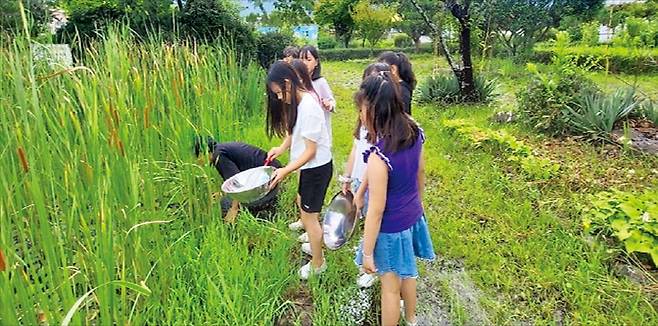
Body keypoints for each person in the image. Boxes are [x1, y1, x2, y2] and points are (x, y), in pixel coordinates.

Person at [353, 73, 435, 326]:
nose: (360, 115)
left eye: (361, 109)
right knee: (407, 274)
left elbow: (376, 211)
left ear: (374, 110)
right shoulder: (413, 129)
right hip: (412, 216)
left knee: (389, 288)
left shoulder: (379, 158)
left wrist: (367, 254)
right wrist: (417, 205)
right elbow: (420, 171)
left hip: (390, 230)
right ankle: (411, 319)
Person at [265, 61, 333, 280]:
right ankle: (316, 248)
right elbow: (295, 132)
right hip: (309, 168)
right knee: (305, 212)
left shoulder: (310, 108)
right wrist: (281, 148)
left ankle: (318, 262)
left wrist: (285, 170)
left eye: (278, 93)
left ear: (287, 83)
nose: (278, 98)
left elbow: (310, 152)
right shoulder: (299, 103)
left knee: (310, 218)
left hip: (316, 169)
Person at [340, 62, 392, 288]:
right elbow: (355, 149)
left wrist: (361, 190)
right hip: (361, 180)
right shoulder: (363, 123)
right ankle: (367, 253)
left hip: (375, 184)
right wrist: (348, 177)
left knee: (376, 221)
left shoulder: (384, 132)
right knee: (365, 220)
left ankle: (372, 265)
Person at [287, 45, 336, 234]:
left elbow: (332, 102)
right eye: (302, 58)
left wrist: (328, 104)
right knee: (302, 185)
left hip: (317, 140)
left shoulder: (320, 83)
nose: (305, 62)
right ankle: (304, 219)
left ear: (316, 62)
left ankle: (312, 225)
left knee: (311, 187)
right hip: (303, 140)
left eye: (308, 59)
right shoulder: (298, 85)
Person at [194, 137, 282, 222]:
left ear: (204, 152)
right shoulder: (221, 149)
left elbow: (237, 186)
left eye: (197, 156)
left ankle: (266, 210)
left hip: (269, 181)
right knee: (228, 198)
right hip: (270, 175)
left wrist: (233, 209)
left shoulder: (219, 156)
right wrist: (222, 193)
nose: (198, 161)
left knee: (226, 203)